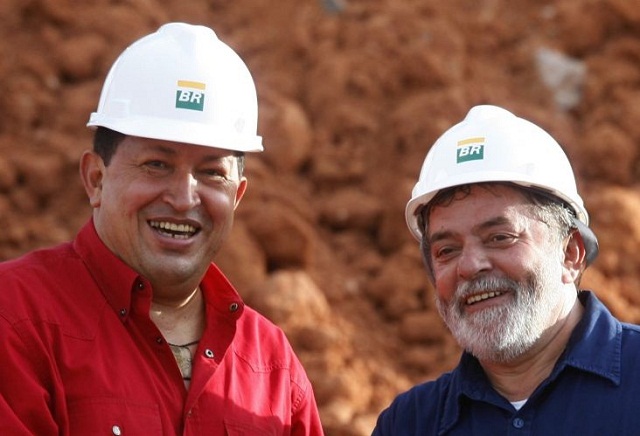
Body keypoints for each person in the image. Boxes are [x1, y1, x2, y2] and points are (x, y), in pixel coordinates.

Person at [0, 23, 324, 435]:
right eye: (157, 164)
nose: (185, 197)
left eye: (211, 173)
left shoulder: (273, 367)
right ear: (95, 179)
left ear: (238, 196)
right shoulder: (15, 319)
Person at [373, 105, 640, 435]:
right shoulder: (412, 424)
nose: (470, 266)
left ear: (571, 253)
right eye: (447, 250)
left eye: (500, 237)